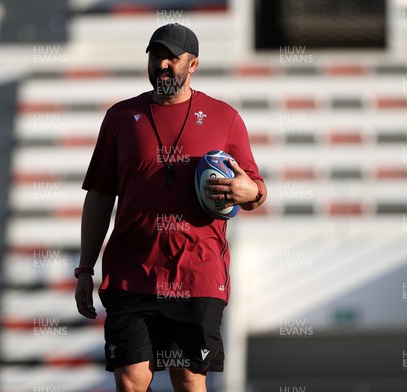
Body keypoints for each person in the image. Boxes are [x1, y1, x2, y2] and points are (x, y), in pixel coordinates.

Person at [75, 23, 267, 392]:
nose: (162, 64)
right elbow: (99, 196)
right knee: (131, 381)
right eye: (156, 55)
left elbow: (256, 190)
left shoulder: (224, 118)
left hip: (197, 273)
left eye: (172, 58)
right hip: (132, 271)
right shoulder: (120, 117)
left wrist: (251, 192)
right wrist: (85, 268)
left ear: (192, 64)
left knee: (188, 381)